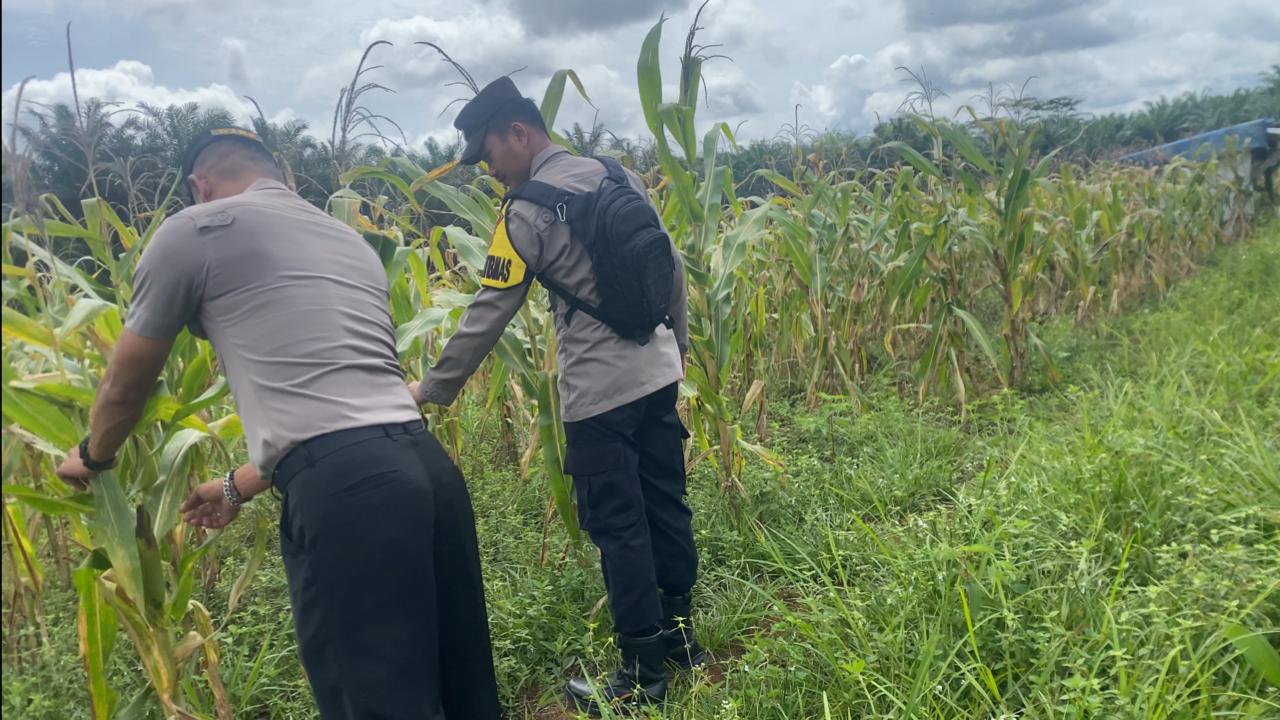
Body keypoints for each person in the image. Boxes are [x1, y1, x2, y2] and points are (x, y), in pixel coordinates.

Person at [55, 128, 500, 720]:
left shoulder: (194, 229)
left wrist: (93, 456)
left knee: (377, 697)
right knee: (462, 682)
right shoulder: (350, 242)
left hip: (350, 497)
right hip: (428, 470)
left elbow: (125, 385)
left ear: (199, 186)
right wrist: (237, 485)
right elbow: (346, 403)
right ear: (285, 176)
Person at [411, 77, 704, 715]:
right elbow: (670, 265)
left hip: (600, 397)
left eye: (490, 155)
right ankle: (683, 644)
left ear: (520, 132)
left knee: (618, 524)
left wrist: (433, 389)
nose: (491, 171)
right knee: (666, 501)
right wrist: (676, 346)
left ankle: (641, 675)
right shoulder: (615, 173)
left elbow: (488, 312)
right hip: (658, 372)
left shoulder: (523, 213)